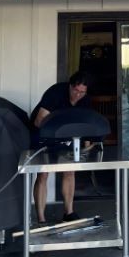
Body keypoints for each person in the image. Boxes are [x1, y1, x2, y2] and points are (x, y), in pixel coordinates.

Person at [30, 71, 91, 224]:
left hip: (66, 136)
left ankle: (69, 213)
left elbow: (87, 123)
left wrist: (87, 146)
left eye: (82, 92)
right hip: (43, 134)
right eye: (76, 91)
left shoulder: (85, 99)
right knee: (44, 174)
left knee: (69, 171)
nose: (78, 95)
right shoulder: (55, 93)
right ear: (70, 86)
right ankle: (41, 218)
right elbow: (39, 121)